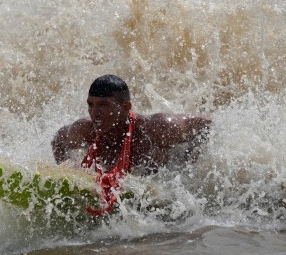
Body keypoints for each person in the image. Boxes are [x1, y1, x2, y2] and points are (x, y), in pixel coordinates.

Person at [52, 75, 211, 214]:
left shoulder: (157, 129)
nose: (94, 113)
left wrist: (189, 165)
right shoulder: (83, 130)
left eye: (103, 105)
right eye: (91, 104)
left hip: (169, 176)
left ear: (125, 107)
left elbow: (206, 124)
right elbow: (57, 141)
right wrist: (72, 174)